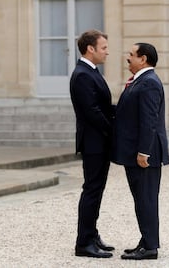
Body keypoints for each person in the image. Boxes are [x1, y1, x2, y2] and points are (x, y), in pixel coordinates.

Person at [112, 42, 169, 260]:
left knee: (146, 199)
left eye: (131, 55)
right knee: (142, 198)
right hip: (134, 151)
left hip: (144, 154)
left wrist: (143, 152)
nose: (128, 58)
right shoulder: (140, 81)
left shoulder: (149, 83)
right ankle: (146, 240)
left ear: (143, 58)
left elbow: (149, 120)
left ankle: (150, 247)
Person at [69, 30, 115, 258]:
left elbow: (103, 108)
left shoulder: (90, 72)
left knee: (96, 190)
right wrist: (114, 130)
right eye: (104, 47)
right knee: (92, 190)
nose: (107, 52)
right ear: (91, 49)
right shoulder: (83, 75)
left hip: (99, 141)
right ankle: (84, 242)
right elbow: (92, 112)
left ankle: (91, 233)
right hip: (94, 142)